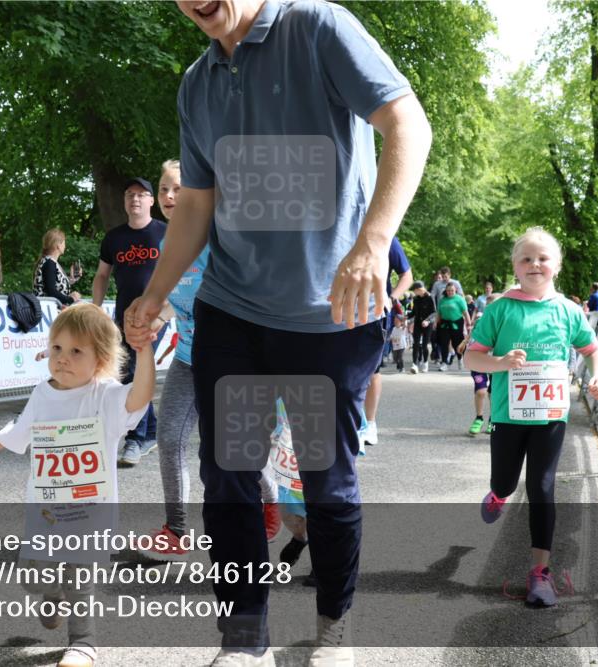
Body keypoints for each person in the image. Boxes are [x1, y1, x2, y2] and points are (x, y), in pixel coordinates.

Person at [124, 1, 431, 664]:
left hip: (329, 320)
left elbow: (407, 123)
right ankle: (244, 640)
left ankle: (332, 629)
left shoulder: (317, 28)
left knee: (323, 480)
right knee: (228, 474)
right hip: (235, 312)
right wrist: (152, 294)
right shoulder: (197, 83)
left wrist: (374, 242)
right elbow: (197, 207)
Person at [0, 303, 155, 667]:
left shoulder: (106, 396)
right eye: (57, 348)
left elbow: (140, 396)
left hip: (89, 512)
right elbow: (23, 428)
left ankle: (83, 642)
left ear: (99, 360)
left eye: (76, 351)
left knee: (79, 578)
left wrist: (144, 351)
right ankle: (52, 595)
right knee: (34, 578)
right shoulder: (43, 392)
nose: (62, 358)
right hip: (47, 510)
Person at [137, 160, 280, 562]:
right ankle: (176, 530)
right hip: (188, 358)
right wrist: (153, 322)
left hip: (232, 361)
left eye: (178, 188)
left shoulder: (221, 237)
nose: (168, 197)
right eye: (163, 189)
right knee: (168, 440)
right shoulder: (167, 245)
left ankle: (270, 501)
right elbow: (171, 303)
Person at [464, 227, 598, 607]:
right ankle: (498, 494)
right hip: (509, 416)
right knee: (507, 482)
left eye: (543, 258)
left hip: (550, 417)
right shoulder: (500, 309)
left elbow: (593, 351)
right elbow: (470, 357)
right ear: (515, 265)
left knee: (542, 486)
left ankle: (540, 573)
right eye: (526, 258)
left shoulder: (568, 311)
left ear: (556, 266)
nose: (534, 264)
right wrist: (498, 362)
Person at [92, 177, 167, 467]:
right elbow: (101, 275)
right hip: (122, 316)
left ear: (151, 201)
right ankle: (151, 431)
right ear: (125, 201)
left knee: (135, 372)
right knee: (124, 374)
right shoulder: (114, 238)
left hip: (154, 317)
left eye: (142, 194)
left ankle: (135, 439)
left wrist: (168, 311)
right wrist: (96, 309)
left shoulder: (166, 233)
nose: (135, 199)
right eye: (130, 195)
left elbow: (185, 271)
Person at [362, 237, 412, 447]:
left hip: (376, 313)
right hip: (335, 310)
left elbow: (406, 275)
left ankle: (369, 424)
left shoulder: (386, 235)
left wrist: (392, 298)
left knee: (372, 368)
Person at [457, 292, 498, 436]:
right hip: (479, 360)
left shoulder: (505, 321)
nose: (489, 308)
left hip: (497, 362)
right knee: (481, 391)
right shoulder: (481, 320)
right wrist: (464, 341)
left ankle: (493, 421)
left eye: (493, 305)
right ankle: (479, 418)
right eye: (488, 305)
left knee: (494, 393)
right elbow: (474, 332)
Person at [34, 228, 81, 306]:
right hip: (49, 310)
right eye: (64, 243)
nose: (65, 246)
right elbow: (51, 291)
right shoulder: (50, 263)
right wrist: (71, 299)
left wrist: (72, 279)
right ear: (58, 245)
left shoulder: (50, 262)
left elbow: (54, 285)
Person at [435, 283, 470, 372]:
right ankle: (444, 363)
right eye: (448, 290)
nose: (450, 292)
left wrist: (469, 324)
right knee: (444, 343)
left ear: (455, 291)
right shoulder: (442, 300)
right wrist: (436, 323)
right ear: (446, 291)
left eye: (452, 290)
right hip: (444, 323)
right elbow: (439, 313)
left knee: (457, 343)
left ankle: (460, 358)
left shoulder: (459, 299)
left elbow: (465, 312)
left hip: (457, 323)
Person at [409, 281, 435, 373]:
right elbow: (413, 312)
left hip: (427, 324)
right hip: (417, 323)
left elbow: (434, 312)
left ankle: (425, 362)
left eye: (415, 290)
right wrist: (406, 316)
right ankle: (414, 364)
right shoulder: (415, 299)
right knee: (415, 344)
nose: (414, 292)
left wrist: (427, 321)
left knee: (424, 345)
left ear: (419, 289)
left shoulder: (430, 297)